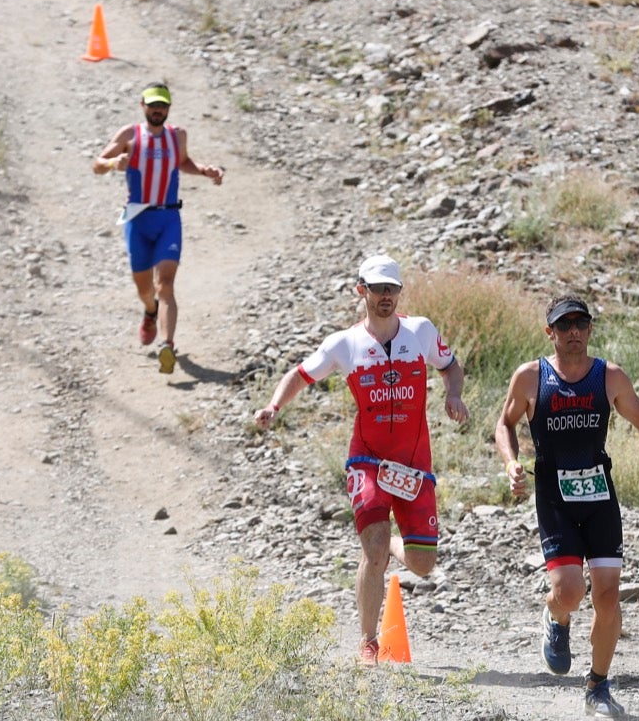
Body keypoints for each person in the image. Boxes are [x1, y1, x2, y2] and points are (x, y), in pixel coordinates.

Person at [253, 257, 469, 663]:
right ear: (361, 291)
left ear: (399, 293)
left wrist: (453, 393)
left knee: (423, 565)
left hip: (414, 464)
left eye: (392, 289)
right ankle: (369, 642)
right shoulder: (344, 344)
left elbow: (450, 366)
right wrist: (274, 406)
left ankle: (392, 543)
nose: (385, 297)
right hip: (367, 461)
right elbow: (301, 374)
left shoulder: (420, 331)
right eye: (377, 289)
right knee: (373, 550)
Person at [494, 296, 639, 717]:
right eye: (564, 325)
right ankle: (556, 617)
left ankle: (597, 685)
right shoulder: (531, 377)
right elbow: (504, 423)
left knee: (609, 596)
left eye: (581, 323)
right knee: (570, 591)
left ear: (590, 329)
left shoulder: (608, 376)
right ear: (551, 333)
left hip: (600, 494)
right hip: (554, 496)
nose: (573, 331)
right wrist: (511, 463)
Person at [91, 81, 225, 376]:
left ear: (168, 108)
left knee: (166, 283)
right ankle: (150, 312)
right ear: (143, 106)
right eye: (152, 105)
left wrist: (205, 170)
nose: (157, 110)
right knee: (145, 288)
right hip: (137, 218)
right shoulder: (130, 134)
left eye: (162, 105)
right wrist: (114, 162)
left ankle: (167, 344)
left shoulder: (177, 136)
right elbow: (97, 164)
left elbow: (184, 162)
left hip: (168, 217)